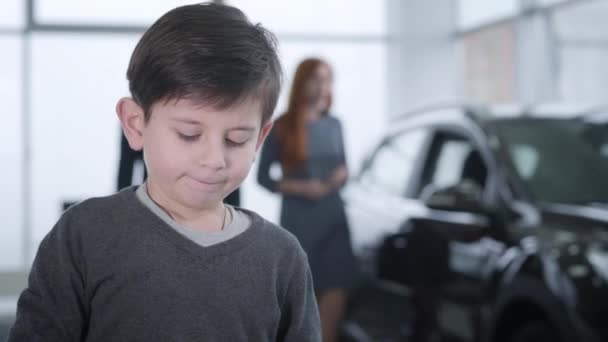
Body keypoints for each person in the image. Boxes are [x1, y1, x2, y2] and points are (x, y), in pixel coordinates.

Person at [8, 3, 321, 341]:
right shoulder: (84, 236)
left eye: (236, 139)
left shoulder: (282, 259)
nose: (214, 159)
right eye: (189, 134)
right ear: (135, 123)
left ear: (260, 138)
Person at [257, 58, 357, 342]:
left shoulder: (335, 124)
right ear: (303, 81)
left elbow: (344, 168)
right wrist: (303, 188)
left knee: (332, 315)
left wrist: (340, 176)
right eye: (317, 78)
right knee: (302, 314)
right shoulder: (282, 126)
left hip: (334, 223)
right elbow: (263, 178)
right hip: (300, 225)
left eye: (327, 79)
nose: (323, 85)